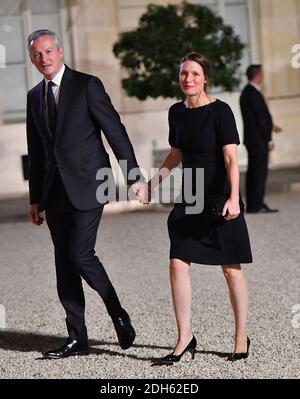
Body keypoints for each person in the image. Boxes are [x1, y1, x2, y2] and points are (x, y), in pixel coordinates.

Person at [26, 29, 147, 358]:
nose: (44, 59)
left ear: (60, 52)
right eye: (37, 54)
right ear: (32, 58)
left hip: (90, 183)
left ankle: (117, 313)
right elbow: (36, 153)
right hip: (54, 192)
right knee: (64, 264)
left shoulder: (87, 85)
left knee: (80, 254)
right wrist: (35, 198)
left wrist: (134, 176)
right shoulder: (33, 97)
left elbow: (114, 130)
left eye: (49, 51)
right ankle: (77, 337)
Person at [147, 52, 252, 363]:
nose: (188, 79)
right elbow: (176, 154)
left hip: (220, 196)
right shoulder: (176, 113)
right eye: (183, 74)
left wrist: (235, 197)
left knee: (231, 270)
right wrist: (153, 183)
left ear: (206, 77)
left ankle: (240, 335)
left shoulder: (221, 112)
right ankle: (184, 336)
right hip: (190, 197)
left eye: (194, 73)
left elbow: (231, 159)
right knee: (178, 263)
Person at [240, 64, 282, 213]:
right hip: (258, 140)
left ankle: (254, 203)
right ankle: (256, 204)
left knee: (253, 172)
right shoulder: (253, 93)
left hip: (252, 139)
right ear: (257, 74)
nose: (263, 76)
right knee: (258, 172)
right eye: (262, 73)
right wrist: (269, 139)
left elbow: (258, 117)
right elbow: (260, 119)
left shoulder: (247, 92)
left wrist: (272, 126)